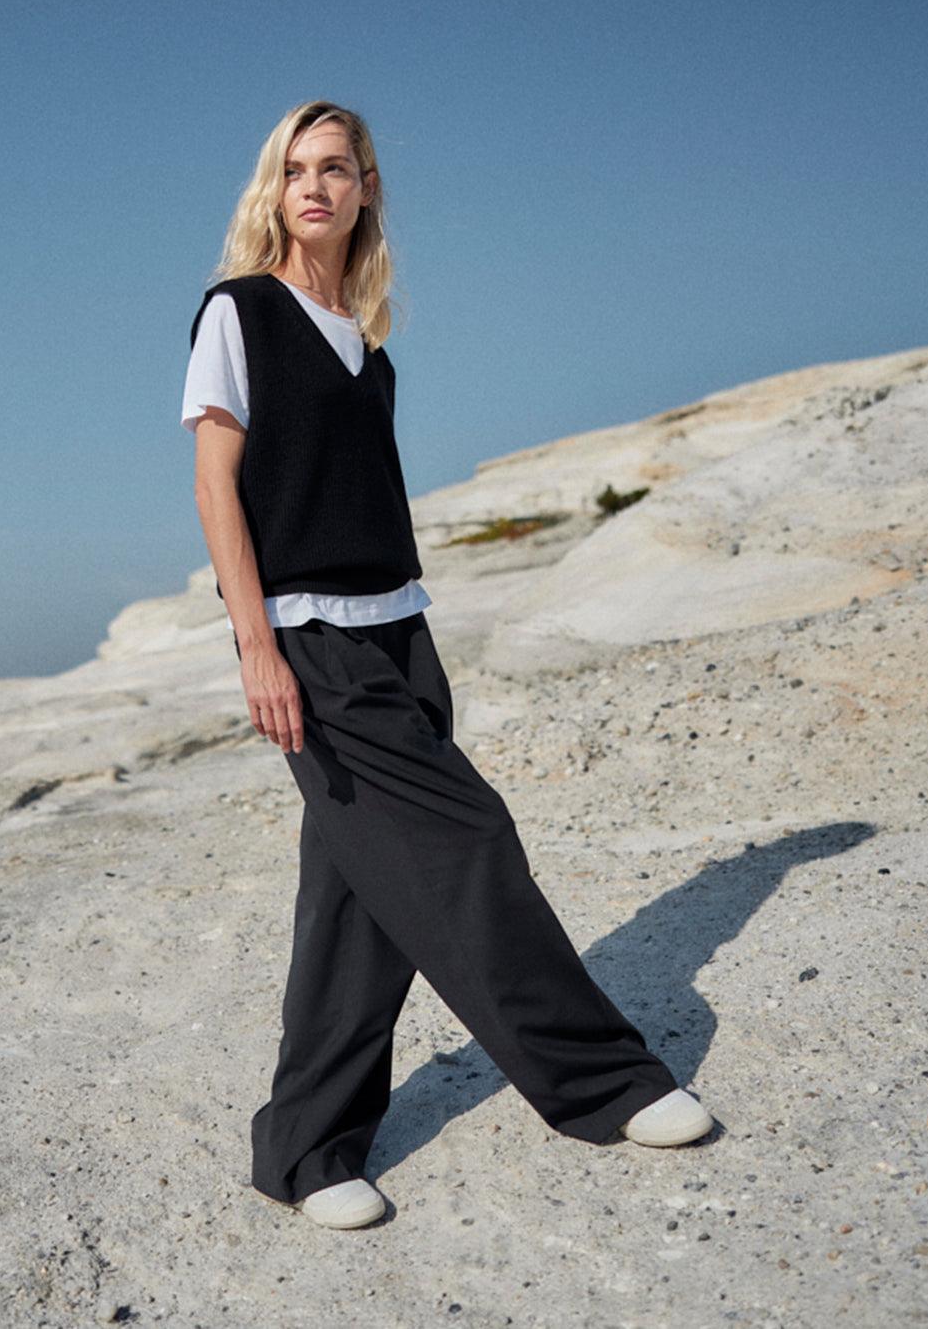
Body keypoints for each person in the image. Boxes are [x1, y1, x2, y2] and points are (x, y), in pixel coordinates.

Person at [181, 99, 713, 1231]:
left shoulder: (365, 344)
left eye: (335, 168)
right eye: (294, 169)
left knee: (359, 905)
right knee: (470, 841)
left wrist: (410, 632)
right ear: (274, 190)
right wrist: (257, 645)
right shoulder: (240, 311)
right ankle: (606, 1083)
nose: (313, 187)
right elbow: (215, 484)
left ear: (366, 188)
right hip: (312, 642)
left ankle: (306, 1150)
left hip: (400, 633)